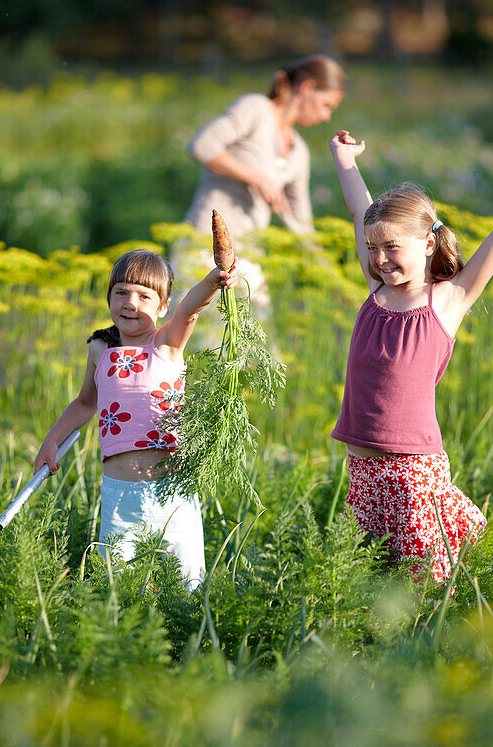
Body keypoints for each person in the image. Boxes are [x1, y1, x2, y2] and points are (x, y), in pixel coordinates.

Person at [329, 124, 493, 583]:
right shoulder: (376, 292)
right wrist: (345, 161)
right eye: (372, 248)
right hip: (362, 471)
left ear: (428, 244)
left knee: (422, 585)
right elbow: (359, 208)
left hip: (411, 470)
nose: (380, 259)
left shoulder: (448, 300)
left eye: (392, 247)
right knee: (362, 582)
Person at [34, 248, 237, 588]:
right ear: (109, 298)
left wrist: (212, 281)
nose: (131, 302)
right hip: (119, 495)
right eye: (122, 292)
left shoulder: (167, 344)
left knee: (187, 585)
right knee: (115, 587)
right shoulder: (101, 350)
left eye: (144, 296)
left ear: (162, 306)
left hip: (172, 493)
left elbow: (190, 308)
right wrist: (51, 442)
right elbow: (85, 403)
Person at [184, 54, 346, 239]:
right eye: (327, 105)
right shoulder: (256, 108)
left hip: (249, 251)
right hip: (205, 241)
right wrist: (258, 180)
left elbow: (301, 220)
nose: (327, 117)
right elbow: (201, 145)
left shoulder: (300, 151)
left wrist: (318, 254)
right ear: (306, 87)